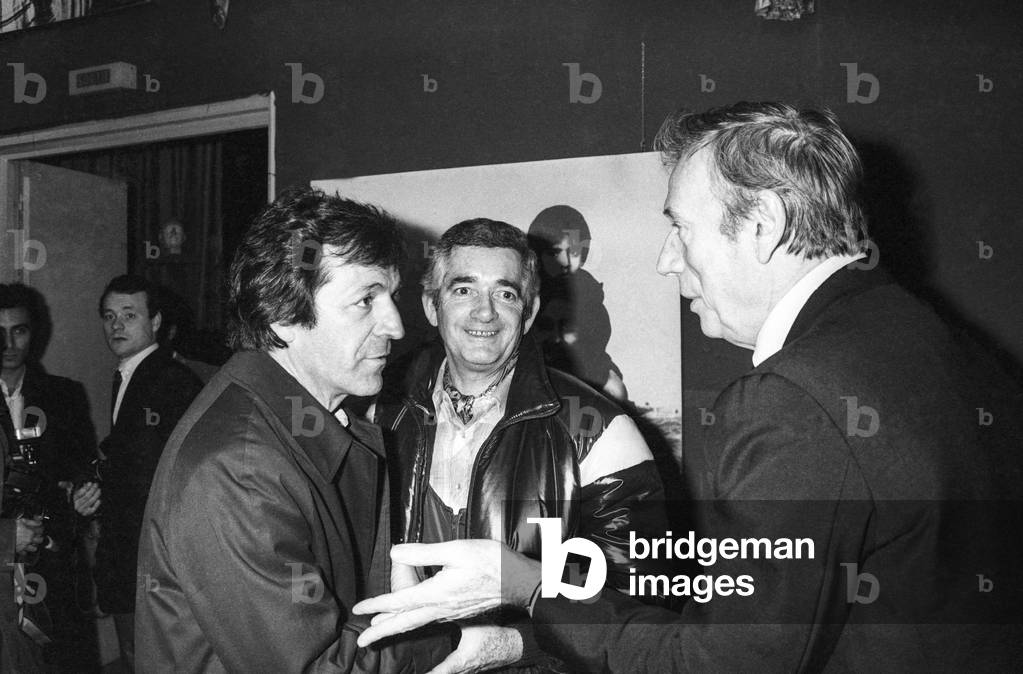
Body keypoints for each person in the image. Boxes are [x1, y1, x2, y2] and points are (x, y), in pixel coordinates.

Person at [351, 102, 1023, 672]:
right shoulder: (924, 334)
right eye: (462, 289)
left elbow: (715, 660)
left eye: (678, 225)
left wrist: (523, 587)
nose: (666, 259)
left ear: (760, 224)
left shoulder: (791, 399)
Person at [134, 187, 445, 672]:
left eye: (391, 296)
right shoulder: (240, 467)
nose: (396, 325)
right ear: (283, 315)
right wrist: (446, 624)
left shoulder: (300, 423)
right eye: (366, 300)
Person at [373, 218, 664, 673]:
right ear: (431, 305)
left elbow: (640, 606)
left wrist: (513, 645)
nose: (484, 312)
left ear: (528, 314)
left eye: (505, 294)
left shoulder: (599, 431)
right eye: (463, 290)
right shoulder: (378, 413)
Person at [72, 274, 203, 670]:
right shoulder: (133, 374)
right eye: (110, 316)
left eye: (130, 315)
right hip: (135, 550)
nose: (117, 326)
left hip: (150, 552)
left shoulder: (169, 380)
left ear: (157, 321)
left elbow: (159, 475)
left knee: (147, 657)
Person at [0, 283, 99, 670]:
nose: (8, 342)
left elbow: (83, 467)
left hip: (53, 565)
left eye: (19, 330)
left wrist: (84, 494)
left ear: (34, 332)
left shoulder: (64, 395)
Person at [527, 205, 627, 401]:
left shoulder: (588, 289)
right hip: (542, 362)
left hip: (585, 360)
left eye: (573, 252)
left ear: (584, 253)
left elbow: (600, 332)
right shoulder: (531, 289)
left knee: (617, 391)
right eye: (555, 253)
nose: (564, 261)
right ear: (538, 254)